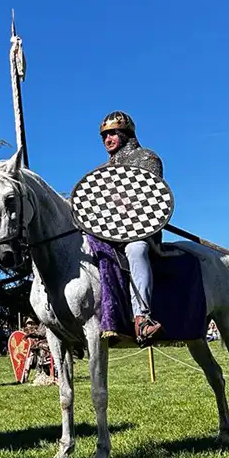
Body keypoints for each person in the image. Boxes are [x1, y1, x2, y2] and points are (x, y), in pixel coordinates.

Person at [99, 111, 163, 344]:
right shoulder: (101, 172)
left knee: (136, 249)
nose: (108, 139)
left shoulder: (147, 159)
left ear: (126, 134)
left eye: (113, 133)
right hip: (108, 235)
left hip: (140, 231)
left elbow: (151, 198)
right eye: (104, 135)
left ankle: (142, 318)